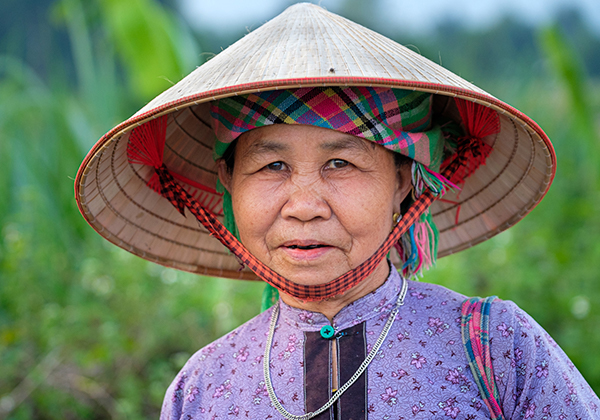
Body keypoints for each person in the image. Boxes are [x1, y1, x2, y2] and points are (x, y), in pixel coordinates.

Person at [75, 3, 600, 419]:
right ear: (228, 183)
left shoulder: (496, 347)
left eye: (342, 163)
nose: (304, 207)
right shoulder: (204, 387)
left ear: (402, 181)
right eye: (273, 166)